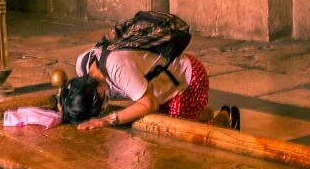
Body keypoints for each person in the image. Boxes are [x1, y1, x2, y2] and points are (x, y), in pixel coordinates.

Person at [60, 41, 239, 132]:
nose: (103, 107)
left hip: (189, 79)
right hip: (160, 88)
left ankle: (221, 121)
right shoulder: (82, 65)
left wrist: (107, 120)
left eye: (99, 106)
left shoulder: (118, 69)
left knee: (176, 129)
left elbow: (149, 104)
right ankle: (203, 112)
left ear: (96, 94)